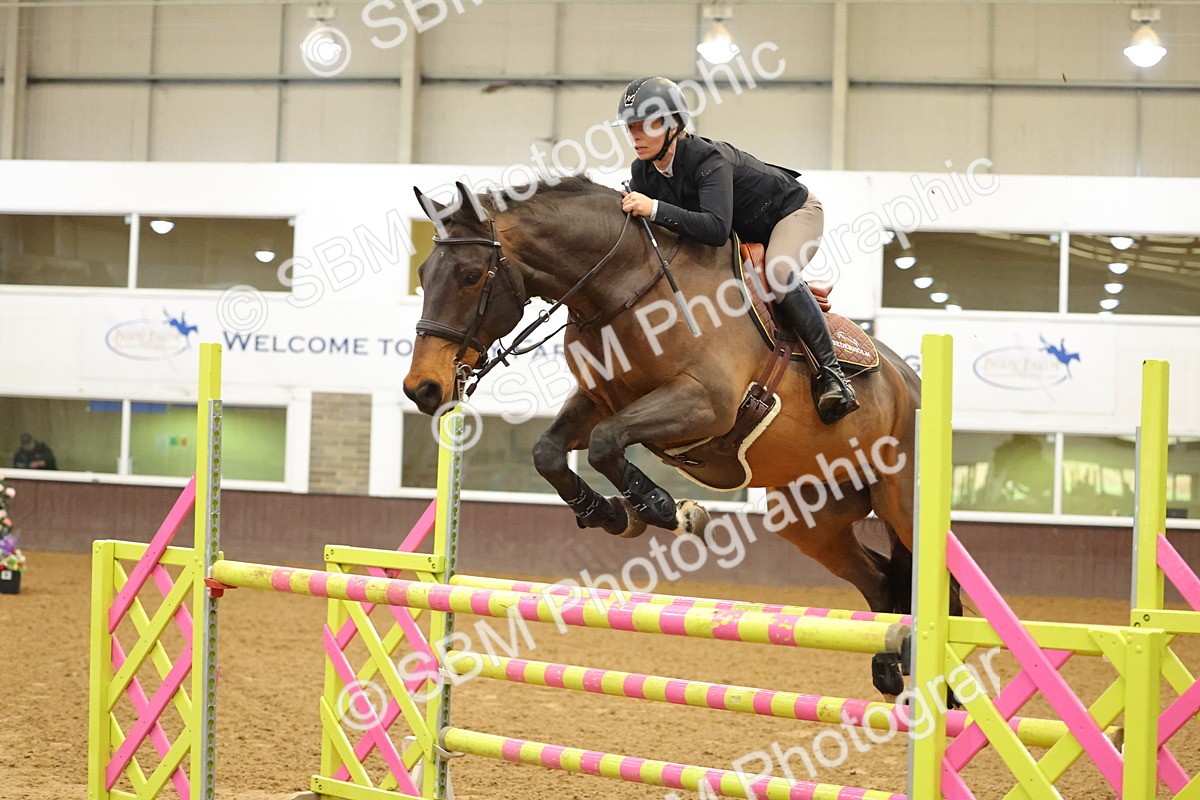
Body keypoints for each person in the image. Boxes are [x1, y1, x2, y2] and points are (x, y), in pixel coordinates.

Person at [614, 76, 858, 424]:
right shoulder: (643, 171)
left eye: (646, 126)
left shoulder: (708, 160)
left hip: (792, 213)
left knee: (778, 271)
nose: (635, 136)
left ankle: (833, 376)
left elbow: (714, 229)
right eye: (630, 127)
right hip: (741, 235)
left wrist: (654, 208)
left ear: (673, 125)